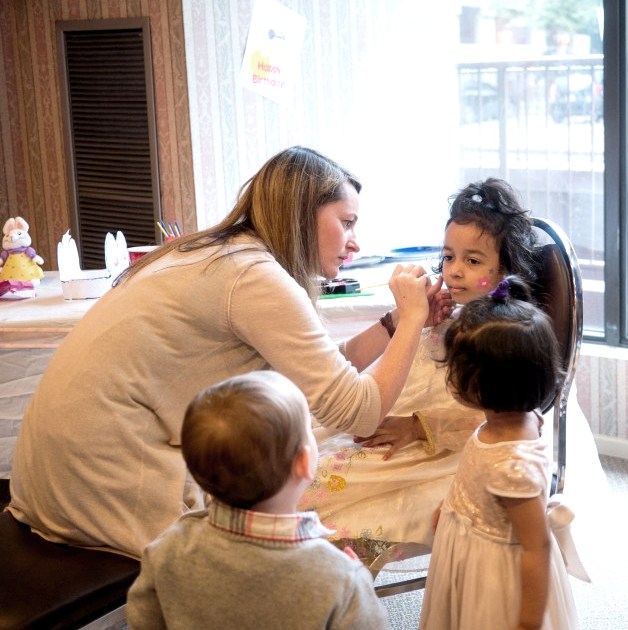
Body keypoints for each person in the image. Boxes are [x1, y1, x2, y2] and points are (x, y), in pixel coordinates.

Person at [7, 146, 448, 558]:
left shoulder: (223, 254)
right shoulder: (254, 276)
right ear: (300, 214)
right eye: (347, 222)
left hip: (51, 471)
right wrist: (411, 319)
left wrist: (393, 323)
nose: (356, 242)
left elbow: (320, 370)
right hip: (102, 478)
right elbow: (359, 411)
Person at [300, 178, 606, 555]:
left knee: (333, 488)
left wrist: (416, 427)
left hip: (452, 446)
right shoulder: (447, 316)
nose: (455, 270)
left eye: (472, 260)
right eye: (448, 257)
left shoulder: (501, 338)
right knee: (311, 447)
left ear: (503, 271)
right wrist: (413, 321)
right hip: (408, 418)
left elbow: (503, 419)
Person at [126, 371, 389, 630]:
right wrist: (360, 586)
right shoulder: (341, 579)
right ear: (305, 463)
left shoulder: (167, 549)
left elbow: (143, 620)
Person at [419, 276, 579, 630]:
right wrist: (454, 506)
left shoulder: (513, 467)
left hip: (494, 573)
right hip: (469, 540)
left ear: (479, 385)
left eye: (454, 371)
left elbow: (537, 548)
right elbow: (475, 473)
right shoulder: (511, 418)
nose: (450, 379)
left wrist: (526, 623)